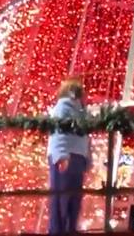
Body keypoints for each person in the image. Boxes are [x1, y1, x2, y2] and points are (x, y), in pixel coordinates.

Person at [47, 77, 92, 235]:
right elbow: (57, 133)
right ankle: (58, 230)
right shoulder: (62, 108)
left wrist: (87, 159)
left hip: (77, 158)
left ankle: (70, 228)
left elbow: (86, 138)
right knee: (61, 198)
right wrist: (60, 155)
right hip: (65, 158)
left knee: (74, 198)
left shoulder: (80, 112)